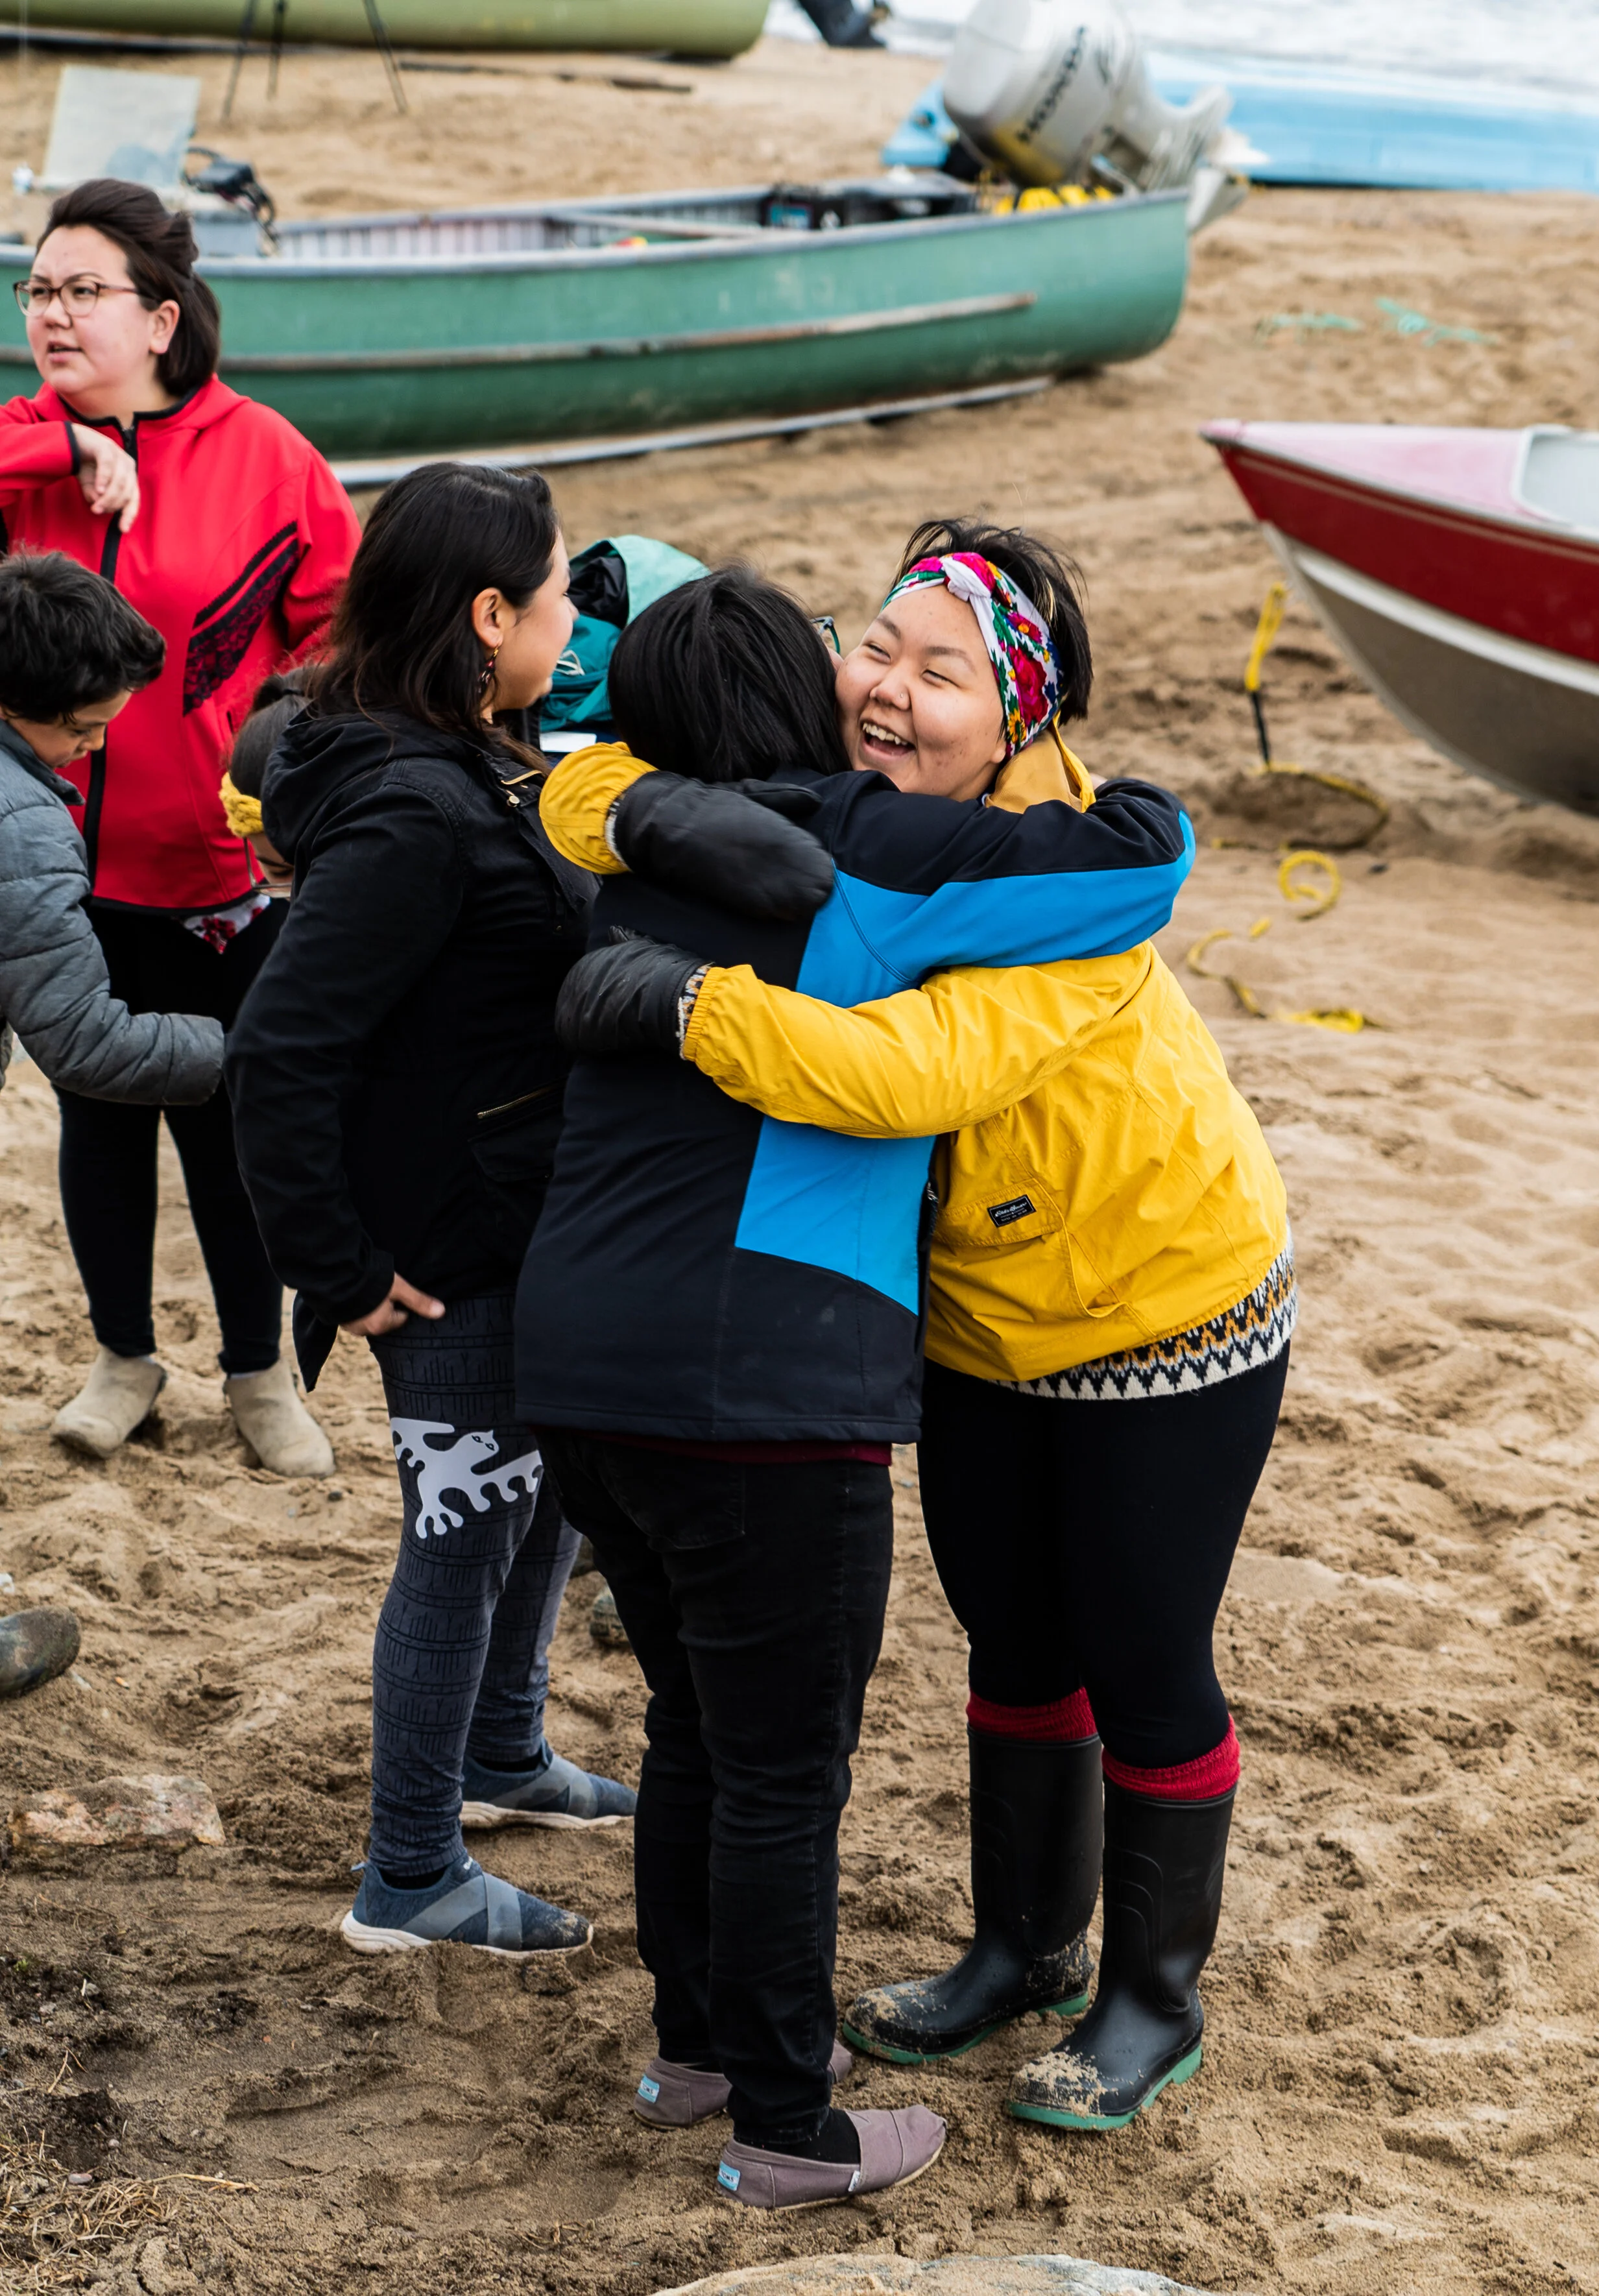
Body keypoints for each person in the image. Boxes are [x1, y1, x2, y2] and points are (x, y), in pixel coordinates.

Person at [550, 520, 1292, 2136]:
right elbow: (611, 725)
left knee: (1142, 1656)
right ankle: (1019, 1942)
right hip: (969, 1315)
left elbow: (910, 1076)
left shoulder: (1060, 877)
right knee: (1014, 1640)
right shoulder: (857, 816)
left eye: (938, 673)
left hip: (1157, 1301)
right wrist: (632, 795)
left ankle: (1150, 2000)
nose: (884, 689)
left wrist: (686, 1001)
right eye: (873, 646)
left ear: (1018, 716)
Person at [225, 463, 636, 1964]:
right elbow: (280, 1045)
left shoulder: (455, 748)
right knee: (460, 1530)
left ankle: (503, 1748)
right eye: (550, 591)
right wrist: (332, 1262)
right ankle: (409, 1870)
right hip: (440, 1250)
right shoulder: (410, 805)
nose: (572, 610)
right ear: (484, 615)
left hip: (512, 1213)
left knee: (546, 1488)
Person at [0, 176, 361, 1474]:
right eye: (37, 288)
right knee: (96, 1117)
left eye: (81, 289)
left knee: (231, 1132)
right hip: (52, 873)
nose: (50, 312)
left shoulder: (265, 455)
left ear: (160, 316)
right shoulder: (24, 443)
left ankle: (260, 1375)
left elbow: (340, 639)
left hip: (218, 873)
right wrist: (58, 450)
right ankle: (122, 1356)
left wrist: (284, 776)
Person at [0, 550, 222, 1108]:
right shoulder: (22, 826)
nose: (95, 745)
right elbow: (82, 1041)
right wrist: (250, 1052)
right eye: (83, 727)